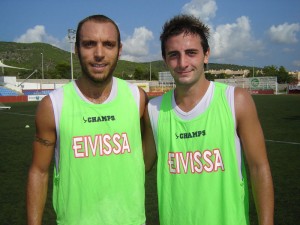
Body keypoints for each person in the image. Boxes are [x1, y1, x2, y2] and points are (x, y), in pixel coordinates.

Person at [143, 14, 274, 225]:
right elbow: (140, 166)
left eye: (191, 53)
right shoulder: (154, 110)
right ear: (165, 59)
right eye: (174, 55)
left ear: (206, 55)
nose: (183, 63)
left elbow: (259, 167)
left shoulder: (236, 100)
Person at [27, 14, 147, 225]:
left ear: (119, 50)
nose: (99, 53)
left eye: (108, 44)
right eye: (89, 44)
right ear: (76, 49)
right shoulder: (52, 105)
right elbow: (39, 171)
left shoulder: (137, 99)